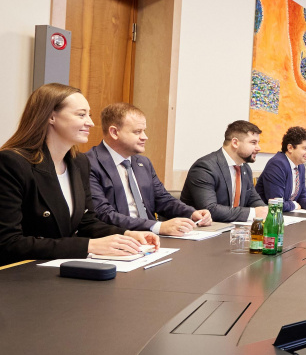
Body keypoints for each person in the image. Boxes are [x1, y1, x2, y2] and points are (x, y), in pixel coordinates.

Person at [0, 84, 158, 266]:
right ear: (51, 116)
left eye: (89, 115)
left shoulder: (79, 162)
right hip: (20, 275)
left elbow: (86, 221)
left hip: (61, 270)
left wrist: (126, 235)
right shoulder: (11, 163)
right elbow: (9, 242)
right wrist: (89, 246)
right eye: (81, 115)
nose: (90, 122)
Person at [87, 103, 211, 236]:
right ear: (114, 132)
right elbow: (103, 213)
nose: (144, 137)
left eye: (144, 131)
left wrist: (191, 213)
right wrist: (157, 226)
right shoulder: (89, 163)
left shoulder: (143, 163)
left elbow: (163, 199)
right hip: (119, 238)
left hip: (152, 239)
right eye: (137, 132)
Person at [181, 120, 268, 223]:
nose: (258, 148)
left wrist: (267, 211)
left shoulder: (245, 168)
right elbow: (210, 210)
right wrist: (253, 213)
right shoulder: (205, 167)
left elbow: (253, 200)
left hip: (231, 229)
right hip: (200, 231)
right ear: (235, 143)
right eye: (253, 143)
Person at [256, 126, 306, 212]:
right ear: (290, 148)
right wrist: (294, 205)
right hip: (268, 216)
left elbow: (302, 197)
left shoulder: (300, 166)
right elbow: (276, 203)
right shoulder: (277, 164)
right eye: (305, 148)